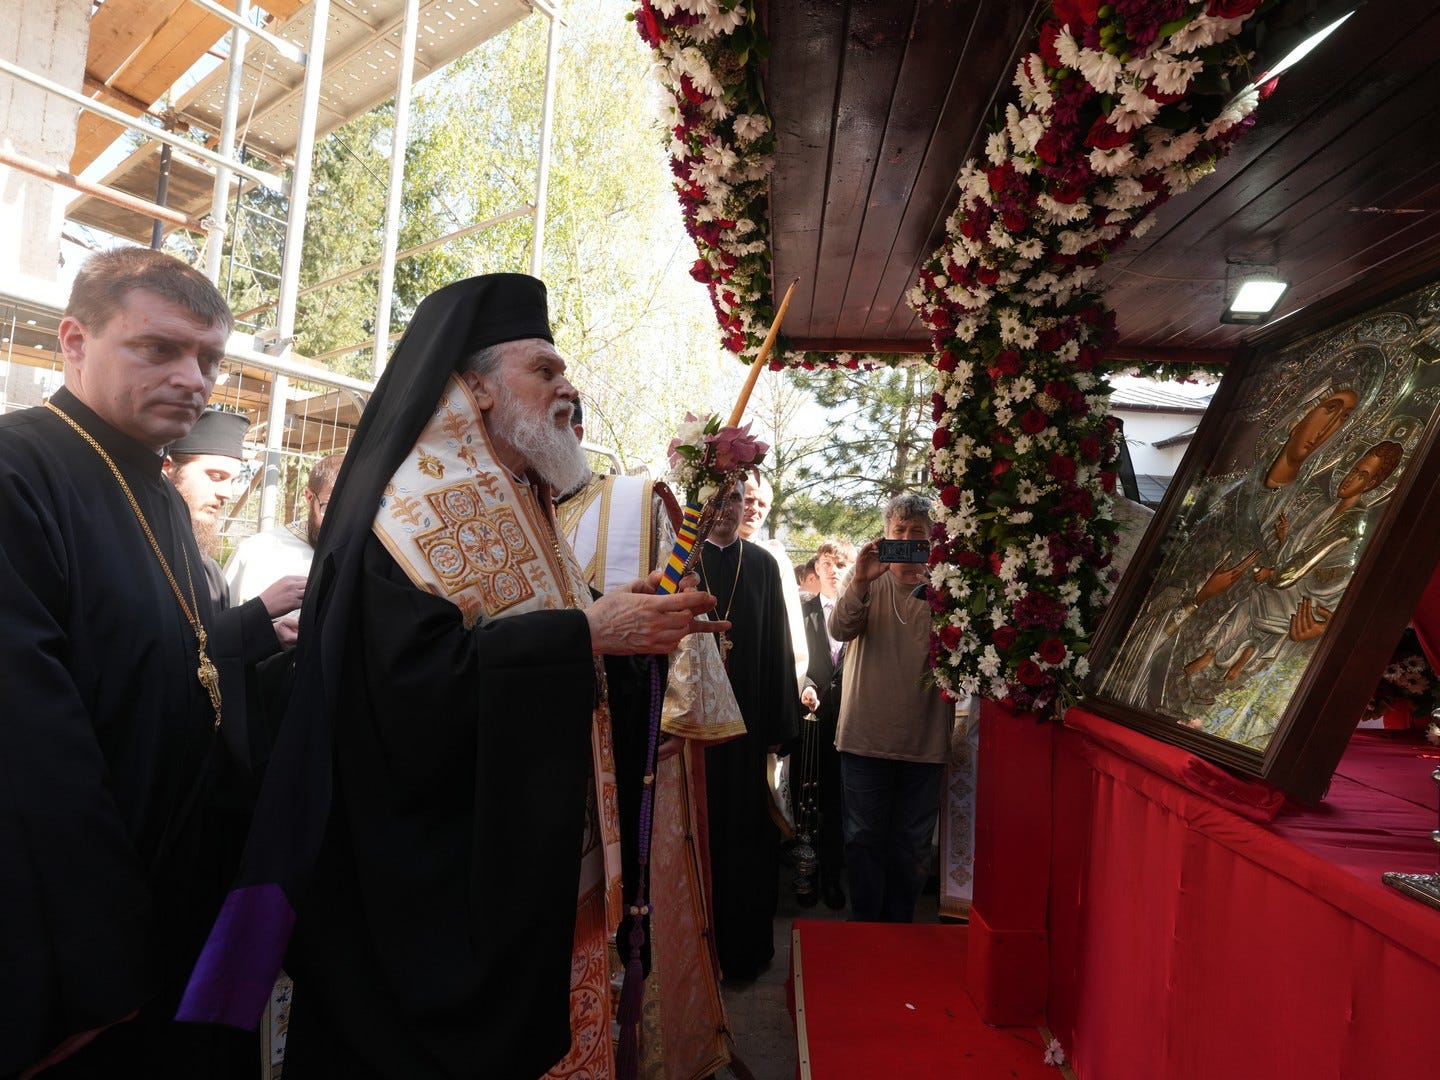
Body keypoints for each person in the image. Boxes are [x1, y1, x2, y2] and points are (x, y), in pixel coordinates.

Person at [179, 273, 725, 1080]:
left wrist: (614, 626)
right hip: (421, 901)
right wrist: (585, 632)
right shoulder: (402, 512)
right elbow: (406, 689)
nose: (568, 388)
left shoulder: (519, 498)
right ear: (478, 387)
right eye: (544, 369)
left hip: (508, 873)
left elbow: (528, 644)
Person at [0, 247, 257, 1077]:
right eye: (159, 348)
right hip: (69, 935)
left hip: (164, 906)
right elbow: (29, 744)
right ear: (75, 342)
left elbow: (175, 666)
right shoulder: (17, 470)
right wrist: (94, 961)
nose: (193, 378)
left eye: (209, 358)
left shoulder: (156, 493)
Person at [557, 398, 745, 1080]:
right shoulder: (503, 517)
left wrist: (664, 715)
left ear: (577, 433)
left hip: (629, 748)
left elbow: (676, 613)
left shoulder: (637, 503)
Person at [831, 493, 952, 923]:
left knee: (913, 846)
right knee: (862, 839)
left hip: (925, 741)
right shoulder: (866, 580)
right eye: (898, 531)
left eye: (917, 532)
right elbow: (839, 629)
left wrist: (944, 590)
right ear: (885, 535)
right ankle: (866, 928)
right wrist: (860, 581)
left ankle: (900, 928)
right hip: (865, 737)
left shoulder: (947, 588)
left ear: (932, 538)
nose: (906, 539)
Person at [698, 478, 801, 979]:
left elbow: (779, 643)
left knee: (745, 835)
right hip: (693, 728)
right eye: (717, 499)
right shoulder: (681, 562)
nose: (727, 508)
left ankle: (742, 954)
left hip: (749, 724)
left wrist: (782, 721)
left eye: (735, 499)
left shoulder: (762, 564)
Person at [163, 408, 306, 645]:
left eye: (233, 481)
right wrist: (260, 609)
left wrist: (272, 636)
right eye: (216, 476)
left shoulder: (211, 572)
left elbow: (212, 656)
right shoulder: (135, 553)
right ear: (167, 469)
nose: (227, 493)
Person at [794, 538, 856, 910]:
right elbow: (792, 657)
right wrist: (805, 685)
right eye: (828, 563)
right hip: (810, 721)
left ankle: (832, 878)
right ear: (816, 568)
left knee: (838, 805)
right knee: (806, 801)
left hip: (849, 722)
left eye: (842, 564)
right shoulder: (801, 610)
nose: (834, 570)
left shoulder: (860, 612)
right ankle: (805, 877)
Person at [224, 452, 343, 605]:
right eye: (330, 508)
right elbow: (224, 616)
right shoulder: (255, 552)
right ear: (309, 497)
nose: (341, 521)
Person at [738, 469, 808, 692]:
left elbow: (792, 626)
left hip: (759, 666)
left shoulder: (777, 559)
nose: (754, 509)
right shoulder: (705, 550)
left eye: (762, 504)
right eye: (748, 500)